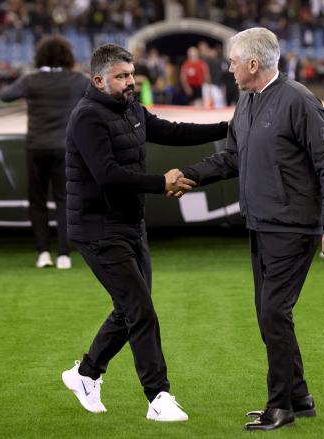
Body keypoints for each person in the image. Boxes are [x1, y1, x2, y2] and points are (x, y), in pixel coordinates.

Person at [177, 27, 324, 431]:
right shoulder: (248, 100)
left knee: (274, 313)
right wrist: (189, 175)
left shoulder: (299, 101)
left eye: (233, 61)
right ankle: (299, 396)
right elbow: (231, 158)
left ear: (253, 64)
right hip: (262, 224)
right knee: (270, 314)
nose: (229, 68)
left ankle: (280, 407)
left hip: (293, 227)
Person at [60, 44, 228, 422]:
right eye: (121, 76)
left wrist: (228, 128)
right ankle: (158, 397)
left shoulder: (132, 108)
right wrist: (162, 183)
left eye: (131, 74)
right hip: (97, 228)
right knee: (141, 310)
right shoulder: (86, 118)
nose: (130, 82)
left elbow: (172, 131)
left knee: (130, 308)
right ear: (98, 80)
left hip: (130, 223)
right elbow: (108, 175)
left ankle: (85, 374)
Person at [0, 35, 89, 269]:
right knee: (64, 200)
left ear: (39, 57)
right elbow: (100, 91)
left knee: (37, 201)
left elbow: (5, 95)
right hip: (66, 149)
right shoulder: (78, 80)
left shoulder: (31, 80)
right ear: (68, 56)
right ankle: (64, 255)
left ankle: (42, 253)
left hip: (37, 147)